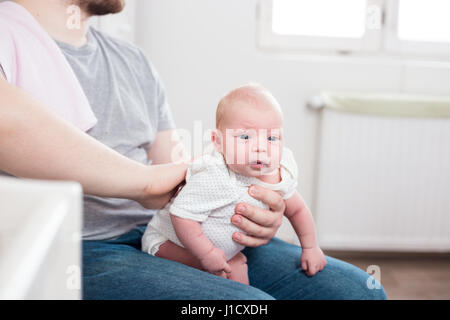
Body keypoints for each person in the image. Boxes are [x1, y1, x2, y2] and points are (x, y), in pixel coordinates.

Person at [0, 0, 387, 299]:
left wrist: (261, 210)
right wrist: (147, 183)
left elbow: (175, 174)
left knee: (354, 290)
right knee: (246, 301)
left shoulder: (133, 62)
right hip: (82, 247)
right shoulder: (6, 34)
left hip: (163, 230)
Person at [142, 84, 327, 285]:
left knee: (236, 266)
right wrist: (206, 254)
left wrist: (310, 247)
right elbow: (181, 215)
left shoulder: (280, 174)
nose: (261, 148)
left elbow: (298, 210)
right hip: (167, 243)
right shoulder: (214, 174)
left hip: (227, 252)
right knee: (228, 267)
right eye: (245, 137)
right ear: (218, 142)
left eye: (272, 138)